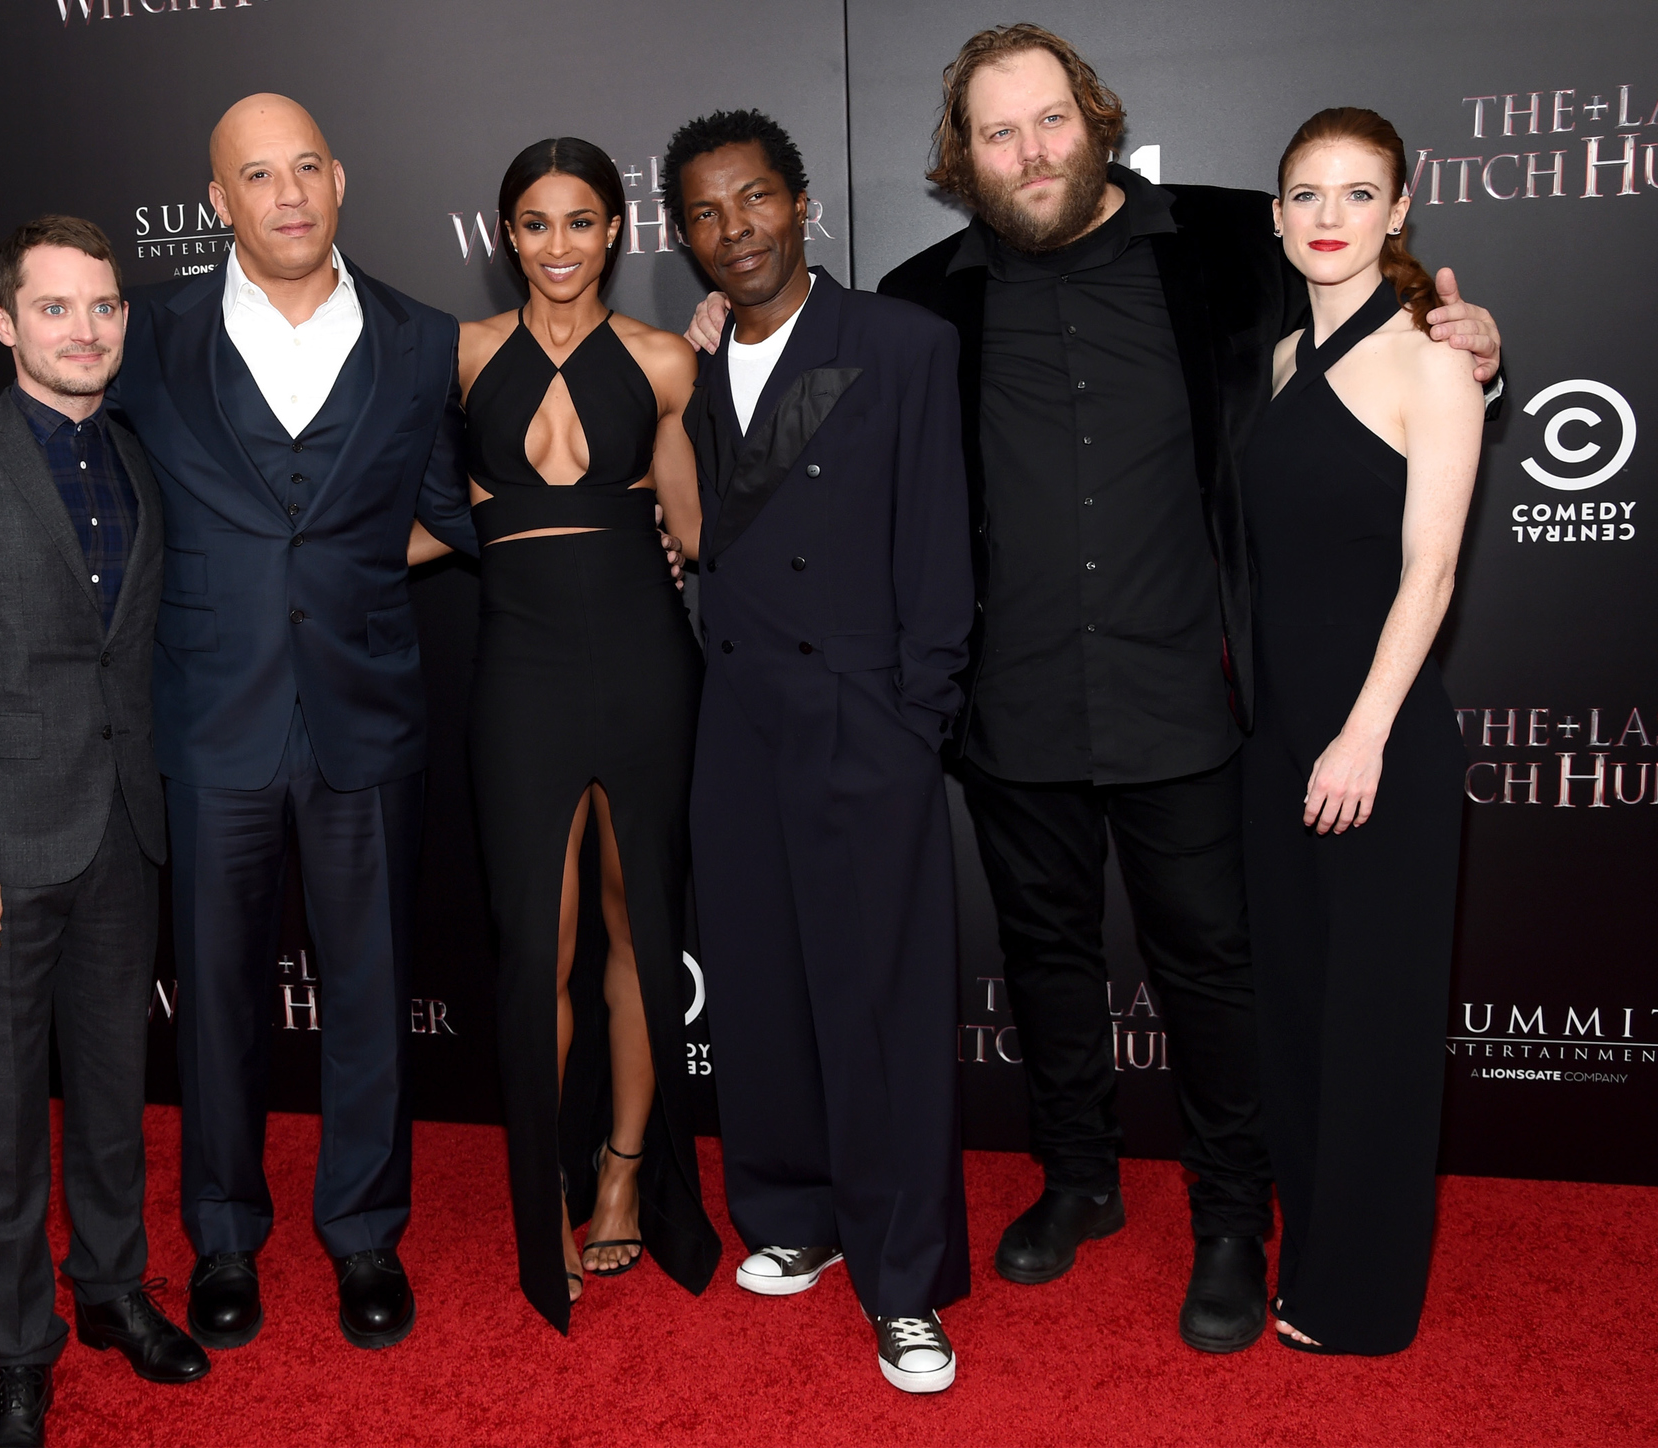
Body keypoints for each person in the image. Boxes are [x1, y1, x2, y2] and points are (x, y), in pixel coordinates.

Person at [685, 25, 1502, 1352]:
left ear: (1097, 118)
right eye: (999, 133)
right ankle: (1079, 1183)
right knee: (1048, 965)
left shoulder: (1235, 245)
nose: (1031, 150)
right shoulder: (917, 299)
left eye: (1050, 120)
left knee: (1210, 971)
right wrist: (723, 340)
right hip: (1009, 707)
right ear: (966, 159)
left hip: (1192, 688)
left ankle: (1236, 1221)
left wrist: (1476, 338)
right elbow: (767, 457)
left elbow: (1372, 318)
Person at [0, 95, 481, 1355]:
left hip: (367, 719)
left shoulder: (423, 339)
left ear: (341, 178)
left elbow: (448, 509)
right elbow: (27, 438)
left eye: (307, 165)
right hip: (200, 728)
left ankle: (365, 1231)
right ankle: (225, 1241)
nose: (288, 192)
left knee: (369, 995)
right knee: (216, 1005)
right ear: (218, 201)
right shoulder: (150, 332)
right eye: (257, 174)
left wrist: (346, 576)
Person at [0, 216, 210, 1448]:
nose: (85, 329)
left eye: (104, 306)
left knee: (116, 1093)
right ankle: (18, 1350)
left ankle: (114, 1289)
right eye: (56, 308)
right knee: (5, 1117)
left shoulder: (139, 454)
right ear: (4, 322)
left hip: (125, 830)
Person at [665, 109, 974, 1393]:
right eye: (704, 213)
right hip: (733, 718)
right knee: (757, 983)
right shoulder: (681, 368)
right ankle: (794, 1212)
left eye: (754, 201)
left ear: (801, 204)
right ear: (680, 235)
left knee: (880, 1006)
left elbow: (938, 546)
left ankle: (904, 1278)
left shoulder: (898, 343)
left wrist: (916, 714)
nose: (732, 230)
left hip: (863, 717)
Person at [411, 137, 718, 1332]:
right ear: (507, 235)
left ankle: (623, 1169)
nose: (557, 246)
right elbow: (422, 514)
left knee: (638, 925)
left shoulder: (661, 362)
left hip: (647, 667)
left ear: (616, 231)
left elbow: (693, 531)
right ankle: (543, 1177)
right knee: (531, 945)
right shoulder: (454, 354)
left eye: (579, 221)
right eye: (533, 223)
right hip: (520, 675)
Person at [1244, 107, 1479, 1356]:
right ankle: (1311, 1244)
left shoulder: (1434, 361)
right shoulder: (1281, 359)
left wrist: (1362, 733)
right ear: (1277, 216)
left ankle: (1363, 1297)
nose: (1326, 215)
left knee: (1375, 1029)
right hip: (1274, 740)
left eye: (1354, 192)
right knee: (1295, 1013)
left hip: (1373, 743)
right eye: (1302, 194)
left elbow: (1429, 569)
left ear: (1399, 207)